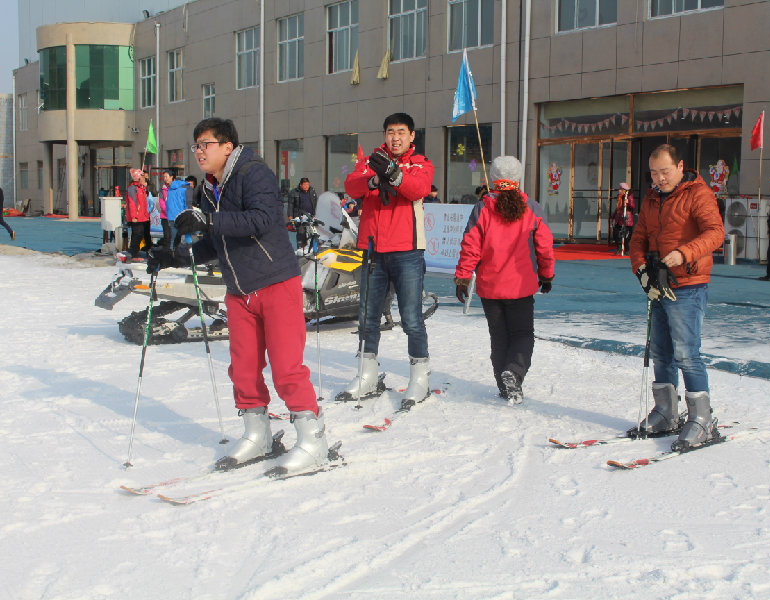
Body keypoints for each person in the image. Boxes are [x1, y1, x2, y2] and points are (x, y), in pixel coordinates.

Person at [148, 117, 327, 475]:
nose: (198, 152)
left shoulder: (252, 173)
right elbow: (218, 242)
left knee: (286, 367)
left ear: (227, 146)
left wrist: (210, 222)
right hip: (240, 289)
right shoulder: (208, 189)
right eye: (196, 145)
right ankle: (257, 433)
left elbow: (261, 220)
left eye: (205, 144)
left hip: (275, 281)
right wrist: (176, 257)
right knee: (243, 368)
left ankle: (312, 441)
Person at [629, 144, 725, 451]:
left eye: (665, 172)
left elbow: (715, 233)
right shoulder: (652, 197)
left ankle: (702, 419)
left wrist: (681, 254)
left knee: (686, 353)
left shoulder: (698, 193)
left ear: (680, 166)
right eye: (654, 173)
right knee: (661, 350)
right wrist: (642, 269)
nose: (659, 178)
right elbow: (639, 238)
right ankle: (666, 412)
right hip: (659, 282)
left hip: (688, 282)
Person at [342, 112, 434, 405]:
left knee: (411, 318)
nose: (395, 137)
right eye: (390, 131)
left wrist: (395, 175)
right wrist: (372, 180)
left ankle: (419, 378)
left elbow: (418, 189)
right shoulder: (371, 162)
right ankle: (367, 375)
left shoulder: (420, 163)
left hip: (407, 250)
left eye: (401, 132)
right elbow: (351, 185)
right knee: (367, 317)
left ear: (411, 136)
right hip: (371, 251)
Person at [453, 156, 555, 404]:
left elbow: (470, 245)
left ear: (494, 179)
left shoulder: (482, 208)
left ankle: (504, 385)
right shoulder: (531, 207)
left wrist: (463, 278)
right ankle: (515, 372)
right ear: (518, 179)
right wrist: (547, 274)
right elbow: (544, 246)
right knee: (522, 334)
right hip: (521, 286)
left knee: (498, 337)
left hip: (491, 287)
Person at [124, 168, 151, 260]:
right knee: (137, 234)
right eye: (142, 176)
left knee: (141, 234)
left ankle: (135, 252)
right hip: (137, 216)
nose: (144, 177)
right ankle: (132, 253)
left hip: (143, 215)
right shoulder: (132, 188)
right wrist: (134, 216)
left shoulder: (141, 188)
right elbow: (132, 203)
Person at [162, 175, 193, 249]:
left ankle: (172, 255)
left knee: (174, 238)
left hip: (172, 216)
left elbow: (167, 202)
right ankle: (192, 254)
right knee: (187, 235)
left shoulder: (170, 189)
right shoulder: (187, 188)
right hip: (183, 215)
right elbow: (188, 203)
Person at [613, 182, 635, 255]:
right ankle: (619, 247)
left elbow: (632, 206)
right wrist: (613, 216)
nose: (619, 190)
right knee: (616, 233)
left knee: (626, 236)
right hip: (619, 218)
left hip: (626, 219)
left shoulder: (629, 196)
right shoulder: (619, 197)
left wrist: (628, 203)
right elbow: (618, 208)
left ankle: (627, 250)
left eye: (620, 189)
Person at [156, 169, 174, 249]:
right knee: (167, 236)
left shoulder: (177, 188)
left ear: (171, 177)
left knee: (175, 236)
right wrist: (168, 212)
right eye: (164, 177)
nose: (165, 178)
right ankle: (167, 255)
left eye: (166, 176)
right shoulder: (162, 189)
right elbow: (161, 202)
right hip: (165, 217)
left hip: (175, 217)